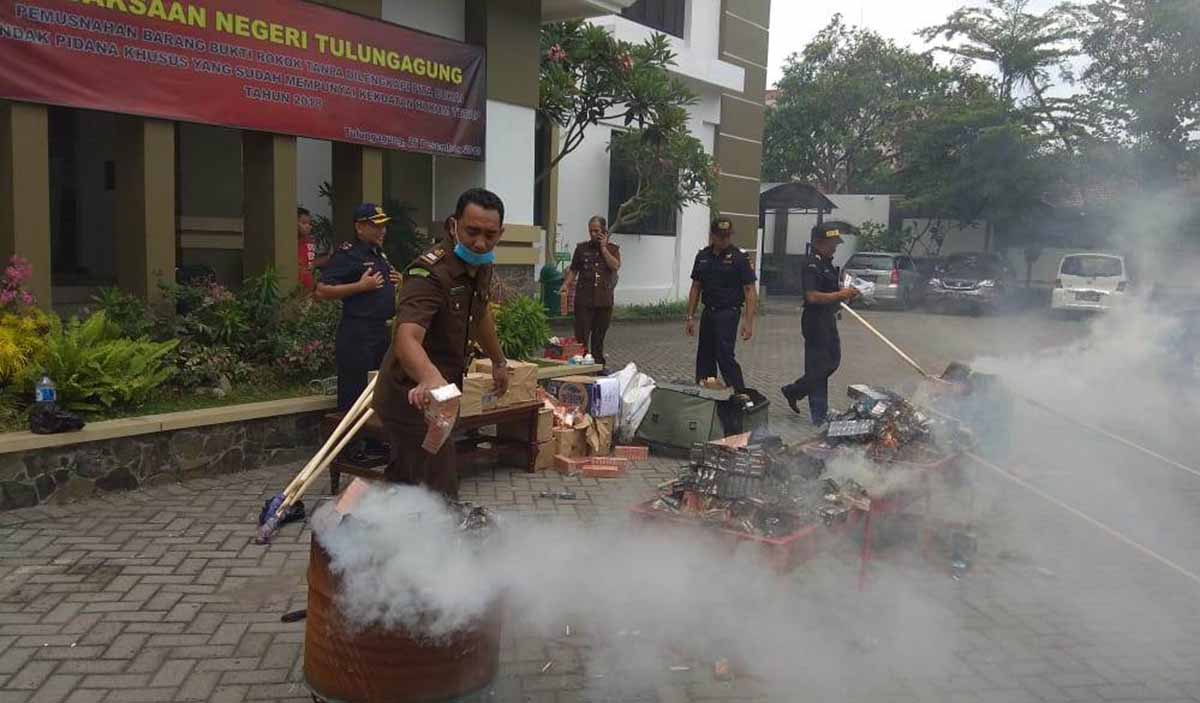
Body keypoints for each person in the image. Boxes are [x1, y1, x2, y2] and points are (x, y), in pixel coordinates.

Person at [372, 188, 511, 499]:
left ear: (501, 233)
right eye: (471, 231)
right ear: (453, 225)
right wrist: (431, 378)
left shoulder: (480, 264)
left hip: (443, 395)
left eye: (490, 235)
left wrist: (499, 362)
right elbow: (407, 337)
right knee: (439, 488)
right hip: (410, 397)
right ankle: (439, 543)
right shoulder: (430, 273)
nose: (479, 243)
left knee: (407, 481)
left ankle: (370, 534)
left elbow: (481, 313)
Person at [315, 203, 403, 423]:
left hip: (381, 332)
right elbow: (322, 290)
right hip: (358, 333)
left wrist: (400, 281)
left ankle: (374, 443)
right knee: (355, 391)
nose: (382, 231)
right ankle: (352, 450)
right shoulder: (348, 255)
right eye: (376, 225)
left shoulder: (379, 254)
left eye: (384, 226)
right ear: (360, 227)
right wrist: (360, 287)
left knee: (378, 391)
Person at [781, 223, 860, 424]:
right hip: (814, 321)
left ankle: (795, 390)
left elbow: (834, 299)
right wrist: (840, 294)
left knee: (832, 362)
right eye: (831, 243)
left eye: (836, 243)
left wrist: (848, 297)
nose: (834, 247)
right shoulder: (811, 264)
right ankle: (819, 415)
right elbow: (812, 296)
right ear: (817, 243)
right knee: (818, 367)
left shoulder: (829, 266)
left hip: (828, 319)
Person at [684, 217, 757, 393]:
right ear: (712, 236)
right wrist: (690, 317)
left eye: (727, 236)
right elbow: (696, 287)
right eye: (720, 236)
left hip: (728, 313)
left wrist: (748, 322)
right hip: (709, 312)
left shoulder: (739, 257)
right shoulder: (702, 256)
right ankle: (706, 389)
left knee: (724, 354)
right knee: (705, 354)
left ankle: (739, 392)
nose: (724, 240)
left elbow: (749, 290)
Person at [562, 215, 620, 367]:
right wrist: (566, 284)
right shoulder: (581, 249)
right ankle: (581, 367)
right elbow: (574, 270)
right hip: (584, 301)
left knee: (598, 339)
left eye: (596, 231)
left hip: (604, 301)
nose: (593, 234)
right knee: (581, 337)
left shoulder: (613, 249)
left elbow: (615, 266)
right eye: (591, 231)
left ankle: (598, 367)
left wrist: (603, 248)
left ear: (604, 231)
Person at [296, 207, 329, 291]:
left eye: (309, 223)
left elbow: (311, 263)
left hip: (309, 285)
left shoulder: (310, 241)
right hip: (297, 287)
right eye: (304, 223)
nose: (308, 226)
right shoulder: (293, 243)